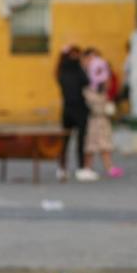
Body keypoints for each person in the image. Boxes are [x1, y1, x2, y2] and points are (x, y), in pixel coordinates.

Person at [57, 46, 97, 182]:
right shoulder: (74, 70)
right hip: (77, 109)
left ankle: (66, 168)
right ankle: (76, 168)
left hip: (69, 109)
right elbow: (86, 81)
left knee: (70, 141)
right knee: (73, 140)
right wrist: (82, 67)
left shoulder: (62, 71)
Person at [84, 84, 123, 179]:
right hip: (98, 121)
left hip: (98, 121)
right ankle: (90, 167)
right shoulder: (92, 94)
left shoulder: (93, 93)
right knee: (94, 145)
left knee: (99, 145)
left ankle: (105, 167)